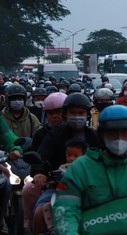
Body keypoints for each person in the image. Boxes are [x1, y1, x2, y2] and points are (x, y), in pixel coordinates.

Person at [52, 105, 127, 235]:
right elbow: (66, 210)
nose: (119, 138)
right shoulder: (80, 168)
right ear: (102, 135)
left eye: (125, 132)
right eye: (112, 133)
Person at [22, 92, 67, 231]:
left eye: (58, 112)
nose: (54, 116)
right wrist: (39, 173)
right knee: (29, 191)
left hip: (82, 182)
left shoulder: (86, 133)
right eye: (50, 113)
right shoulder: (42, 134)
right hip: (52, 182)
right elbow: (39, 157)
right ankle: (29, 224)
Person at [31, 139, 87, 234]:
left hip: (82, 195)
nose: (72, 158)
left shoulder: (89, 168)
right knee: (39, 211)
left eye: (76, 156)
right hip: (59, 192)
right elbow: (57, 180)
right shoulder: (62, 168)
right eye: (69, 155)